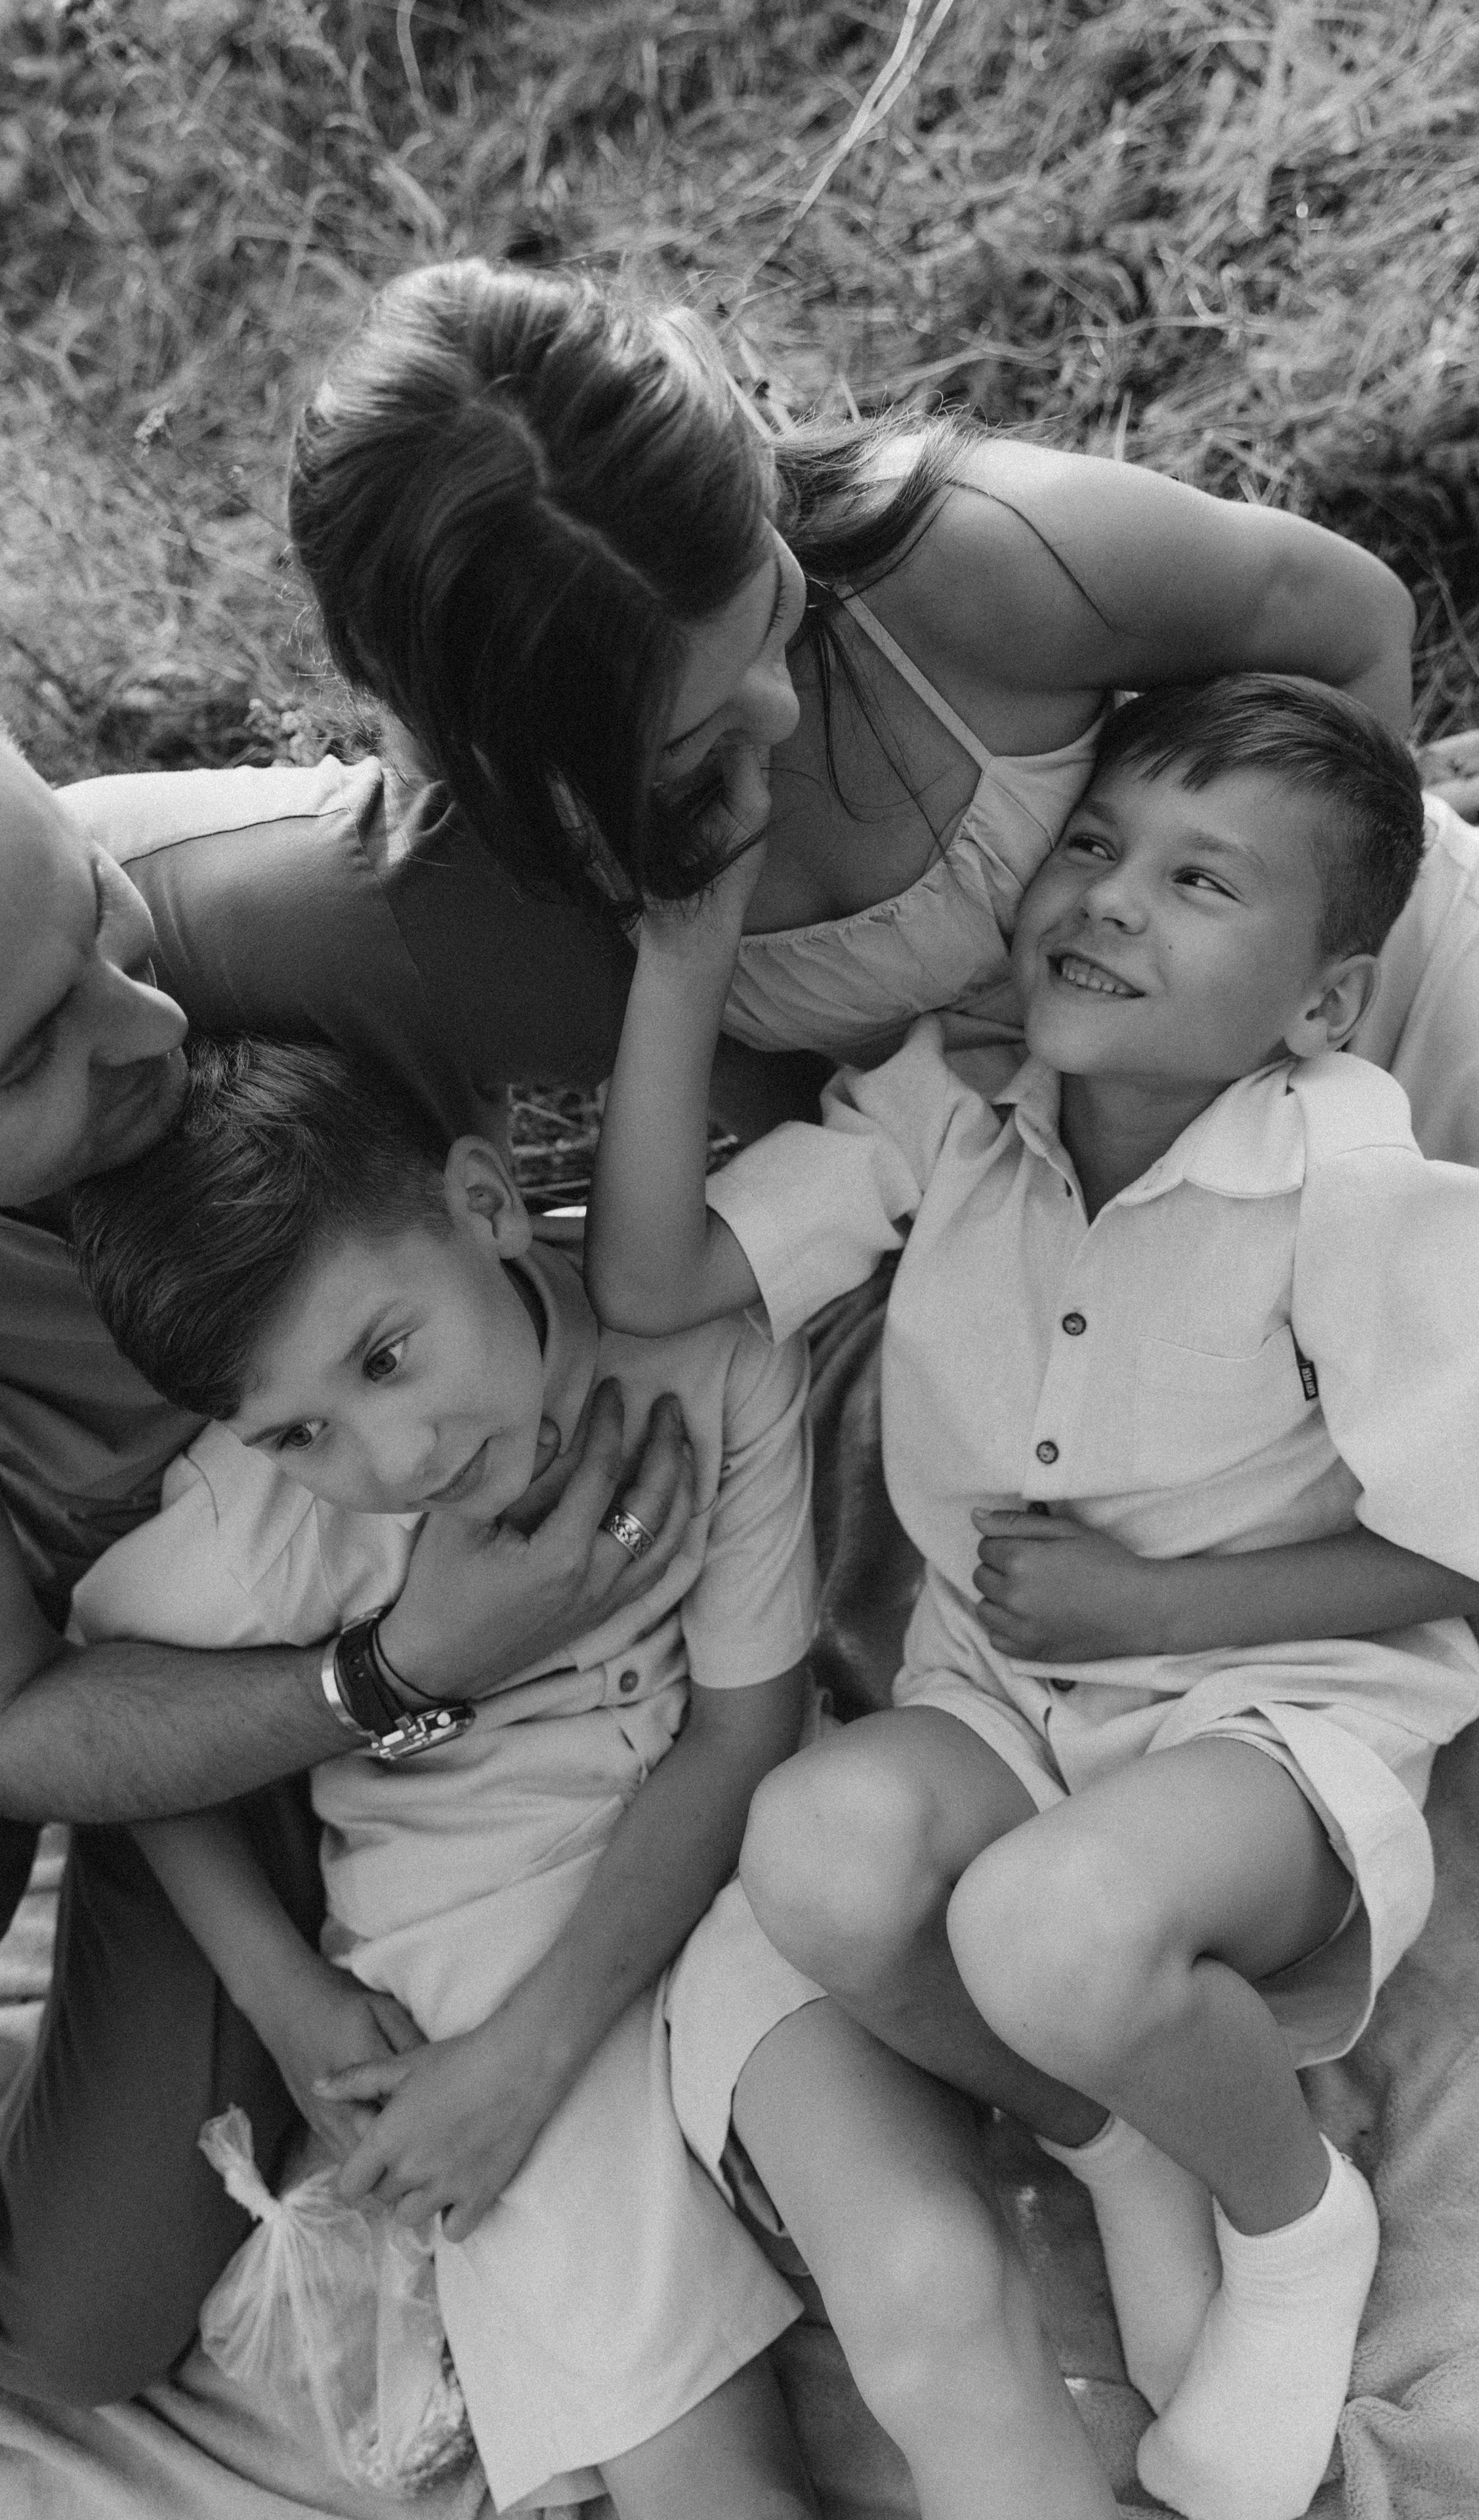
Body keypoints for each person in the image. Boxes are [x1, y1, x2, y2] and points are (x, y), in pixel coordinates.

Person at [0, 612, 696, 2467]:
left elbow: (775, 1094)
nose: (153, 1025)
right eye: (29, 1057)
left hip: (382, 1641)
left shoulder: (331, 922)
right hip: (144, 1668)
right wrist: (397, 1677)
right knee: (60, 2313)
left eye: (90, 907)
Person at [587, 675, 1479, 2520]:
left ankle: (1293, 2218)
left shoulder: (1346, 1181)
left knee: (1049, 1931)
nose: (1114, 898)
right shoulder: (956, 1106)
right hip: (1005, 1702)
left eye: (1200, 883)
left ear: (1319, 1005)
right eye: (1094, 842)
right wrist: (680, 963)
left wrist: (1155, 1617)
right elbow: (657, 1279)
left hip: (1269, 1708)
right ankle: (1124, 2144)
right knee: (815, 1853)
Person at [63, 1033, 1119, 2520]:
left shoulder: (704, 1358)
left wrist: (528, 2061)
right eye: (299, 1430)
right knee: (694, 2461)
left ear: (486, 1202)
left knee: (933, 2277)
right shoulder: (260, 1535)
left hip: (736, 1864)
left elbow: (739, 1737)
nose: (395, 1453)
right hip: (469, 1929)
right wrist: (281, 1996)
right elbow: (114, 1724)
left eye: (386, 1355)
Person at [287, 255, 1417, 1118]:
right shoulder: (515, 829)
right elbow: (775, 1115)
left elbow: (1359, 627)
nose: (773, 714)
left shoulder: (994, 556)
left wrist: (1298, 1094)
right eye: (686, 736)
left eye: (774, 613)